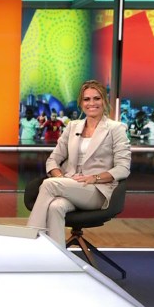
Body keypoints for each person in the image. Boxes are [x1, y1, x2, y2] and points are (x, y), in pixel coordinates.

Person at [26, 80, 131, 247]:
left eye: (96, 98)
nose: (91, 103)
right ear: (81, 103)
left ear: (104, 100)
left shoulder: (116, 129)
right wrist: (60, 177)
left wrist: (94, 178)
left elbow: (123, 168)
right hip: (69, 184)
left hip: (97, 190)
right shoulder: (72, 126)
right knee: (56, 207)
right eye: (86, 99)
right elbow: (53, 160)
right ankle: (57, 260)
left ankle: (30, 240)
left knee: (48, 185)